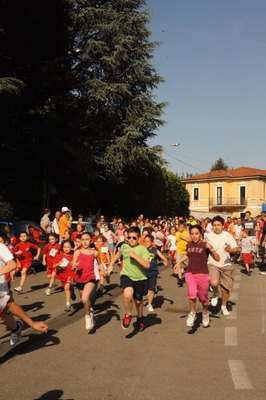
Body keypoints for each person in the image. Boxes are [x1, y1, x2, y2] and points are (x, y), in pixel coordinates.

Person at [0, 238, 48, 346]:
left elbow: (12, 265)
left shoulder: (1, 247)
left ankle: (16, 327)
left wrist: (32, 323)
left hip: (2, 287)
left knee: (2, 319)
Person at [174, 225, 220, 328]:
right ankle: (193, 313)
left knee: (203, 298)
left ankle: (205, 313)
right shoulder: (189, 245)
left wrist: (211, 249)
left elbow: (217, 258)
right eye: (192, 234)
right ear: (190, 234)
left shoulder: (205, 245)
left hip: (203, 275)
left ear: (201, 234)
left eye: (197, 233)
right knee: (192, 293)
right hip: (190, 273)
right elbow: (189, 255)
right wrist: (179, 262)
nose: (194, 236)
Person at [107, 227, 150, 332]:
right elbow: (118, 253)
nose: (131, 239)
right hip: (126, 275)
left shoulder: (142, 249)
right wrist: (111, 264)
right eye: (129, 237)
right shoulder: (124, 246)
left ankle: (140, 317)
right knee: (127, 294)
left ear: (139, 238)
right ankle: (128, 315)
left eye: (134, 238)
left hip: (140, 278)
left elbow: (147, 265)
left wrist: (135, 256)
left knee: (138, 302)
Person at [71, 232, 105, 331]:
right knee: (84, 300)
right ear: (80, 241)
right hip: (79, 279)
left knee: (85, 298)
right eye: (83, 239)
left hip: (90, 278)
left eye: (87, 239)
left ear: (91, 241)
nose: (85, 242)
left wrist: (103, 271)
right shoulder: (77, 252)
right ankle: (90, 312)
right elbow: (72, 268)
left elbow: (100, 263)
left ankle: (87, 317)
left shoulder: (95, 253)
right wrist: (75, 266)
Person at [205, 215, 239, 316]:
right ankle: (215, 293)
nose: (216, 227)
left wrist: (230, 250)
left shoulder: (227, 235)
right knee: (214, 283)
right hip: (212, 263)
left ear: (222, 225)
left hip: (226, 264)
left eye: (218, 225)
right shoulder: (208, 236)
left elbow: (236, 248)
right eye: (214, 225)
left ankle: (223, 306)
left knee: (225, 289)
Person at [144, 234, 168, 312]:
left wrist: (165, 261)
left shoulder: (155, 250)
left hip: (153, 272)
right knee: (143, 290)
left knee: (151, 290)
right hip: (143, 273)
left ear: (152, 242)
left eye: (148, 241)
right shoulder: (142, 250)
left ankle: (149, 304)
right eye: (145, 241)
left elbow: (164, 258)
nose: (146, 243)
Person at [52, 240, 76, 311]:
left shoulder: (74, 256)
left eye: (68, 247)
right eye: (64, 247)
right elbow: (53, 266)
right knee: (67, 288)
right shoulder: (59, 256)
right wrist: (58, 263)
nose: (66, 248)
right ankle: (71, 291)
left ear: (72, 248)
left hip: (71, 274)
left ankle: (68, 304)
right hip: (62, 275)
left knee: (66, 287)